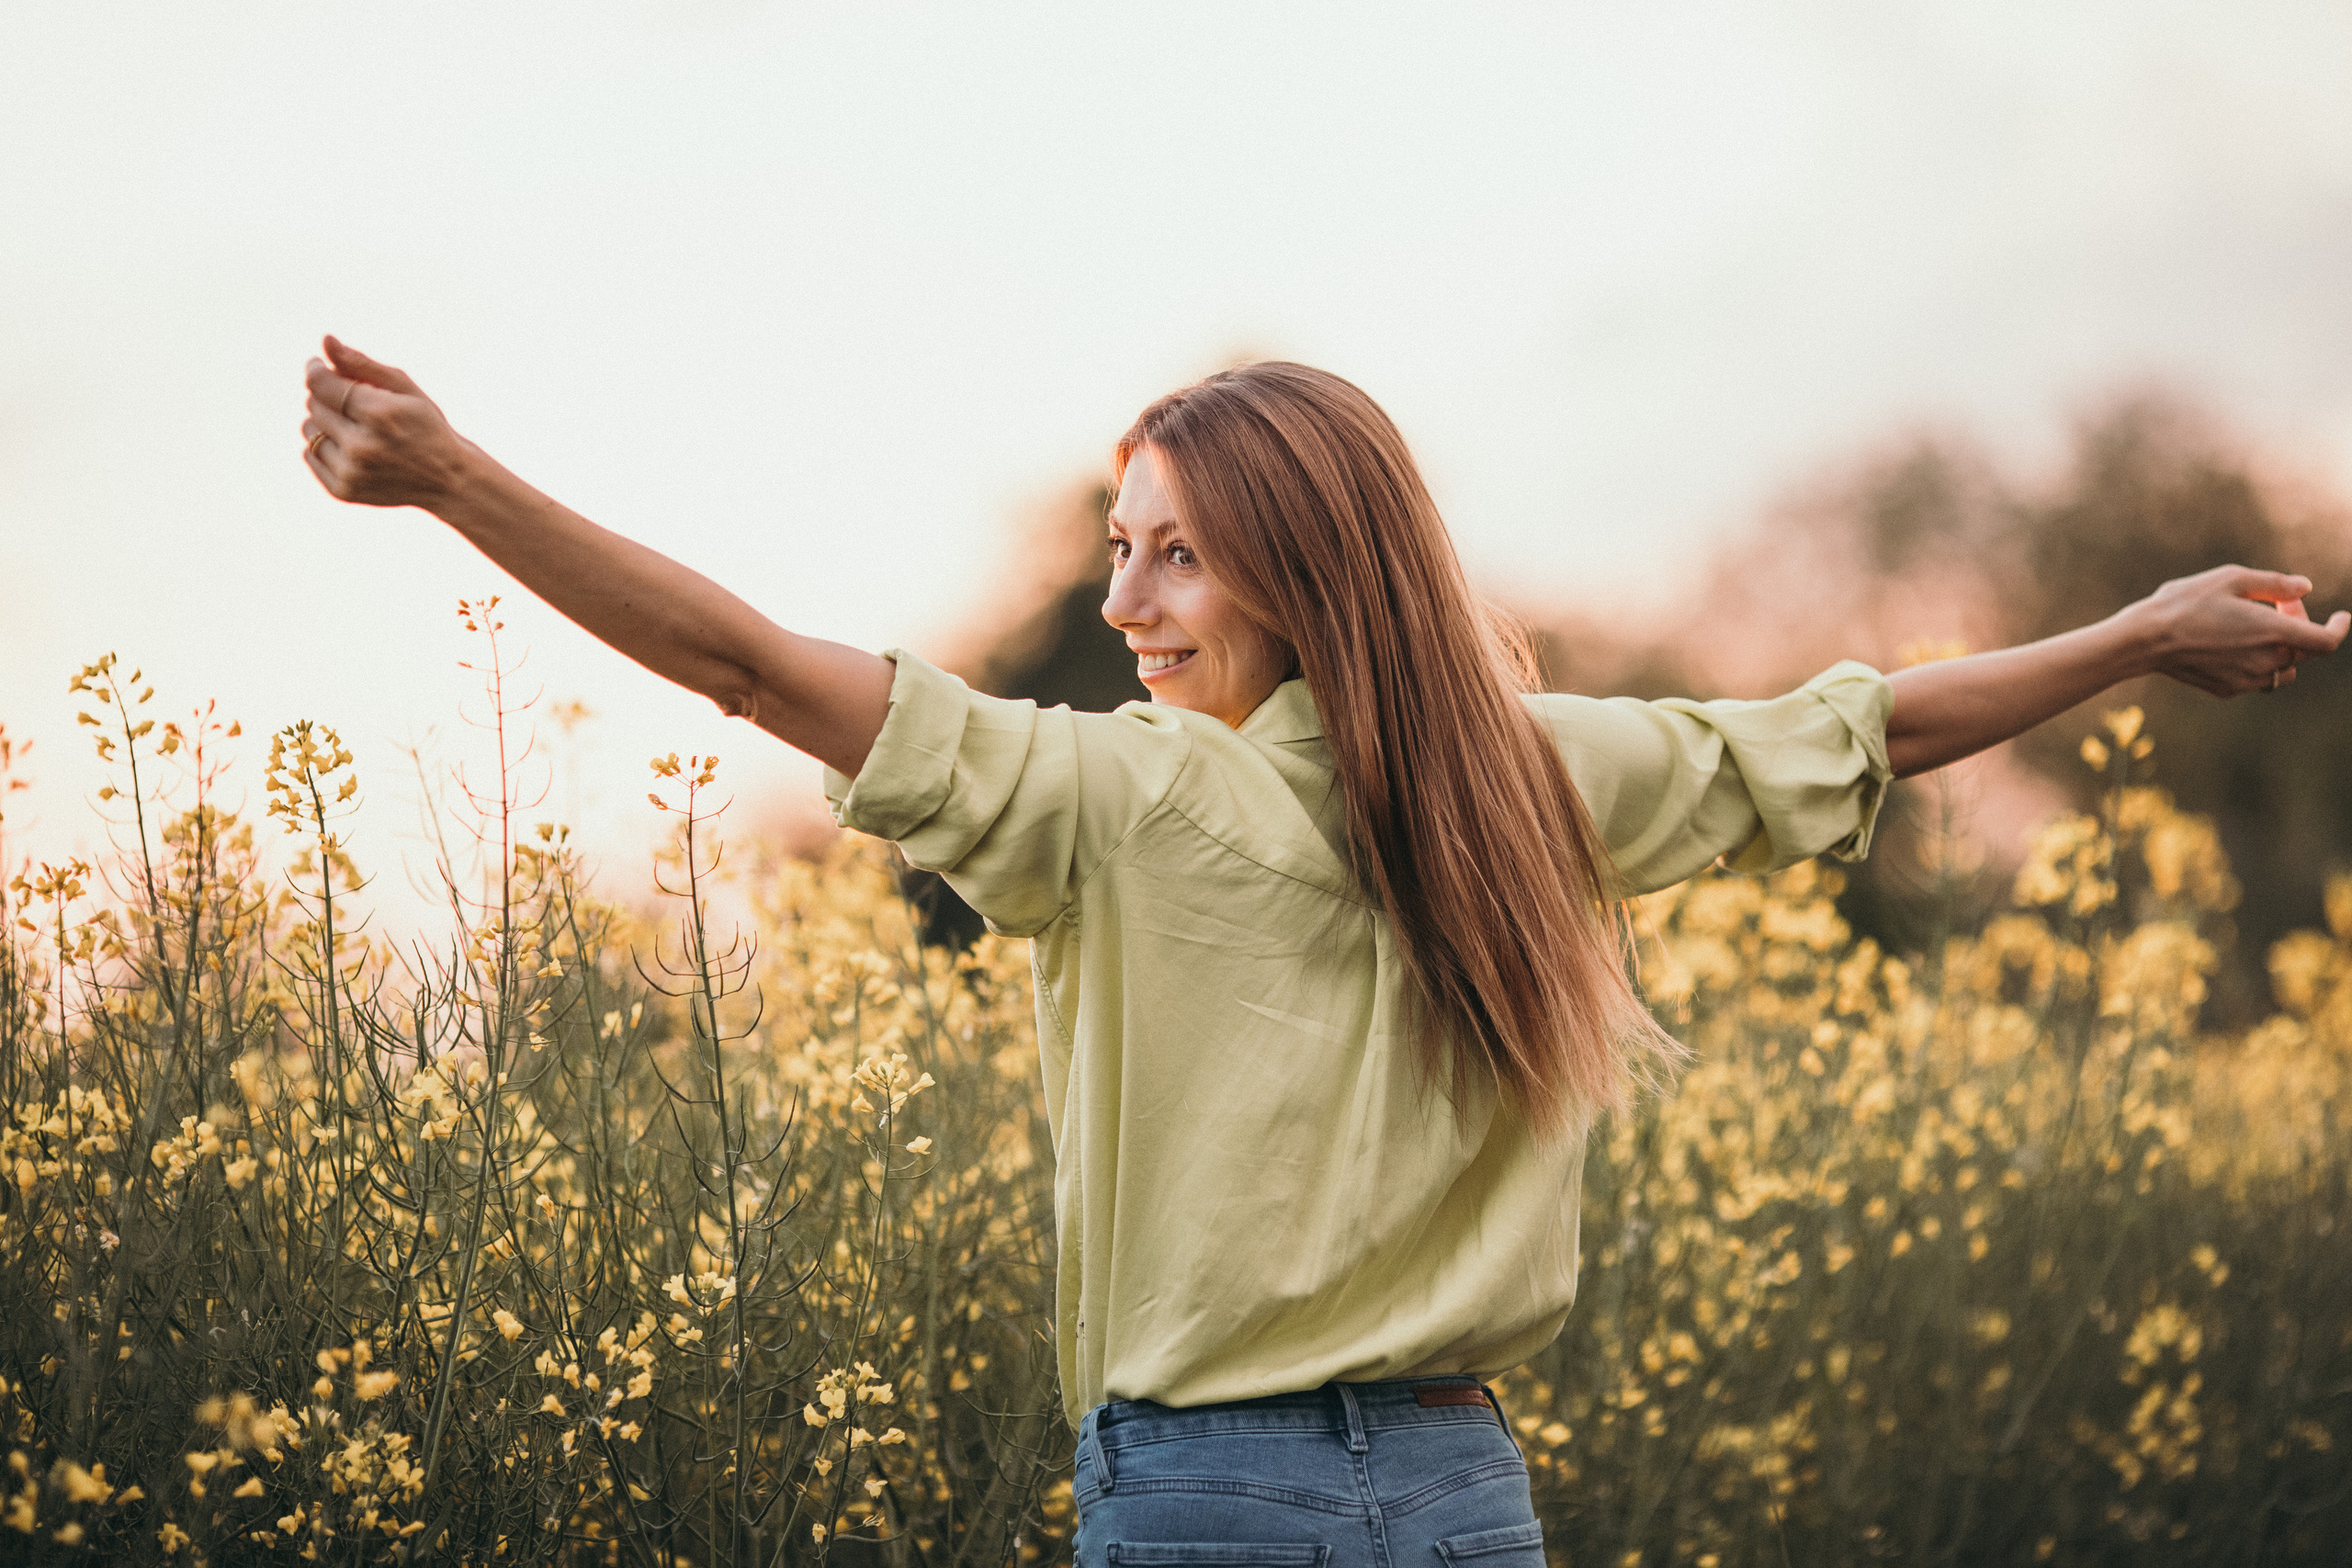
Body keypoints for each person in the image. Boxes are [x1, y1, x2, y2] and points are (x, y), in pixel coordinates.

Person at [300, 340, 2347, 1561]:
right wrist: (2143, 635)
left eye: (1172, 548)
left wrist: (454, 477)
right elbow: (1861, 724)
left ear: (1298, 560)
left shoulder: (1111, 803)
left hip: (1208, 1502)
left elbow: (741, 661)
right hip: (1463, 1501)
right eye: (1117, 546)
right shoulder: (1532, 773)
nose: (1123, 602)